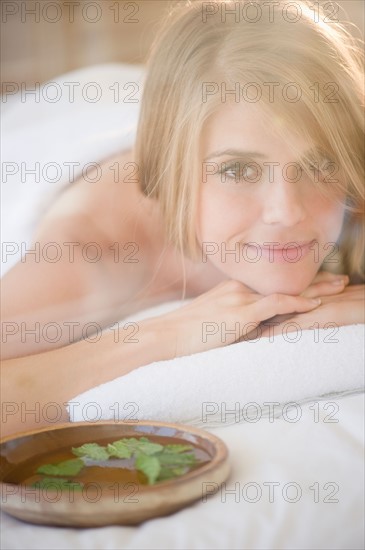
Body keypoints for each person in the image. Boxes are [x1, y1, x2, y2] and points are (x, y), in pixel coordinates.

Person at [1, 0, 364, 436]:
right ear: (173, 172)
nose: (287, 211)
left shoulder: (350, 182)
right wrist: (173, 332)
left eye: (320, 163)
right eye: (238, 170)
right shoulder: (96, 251)